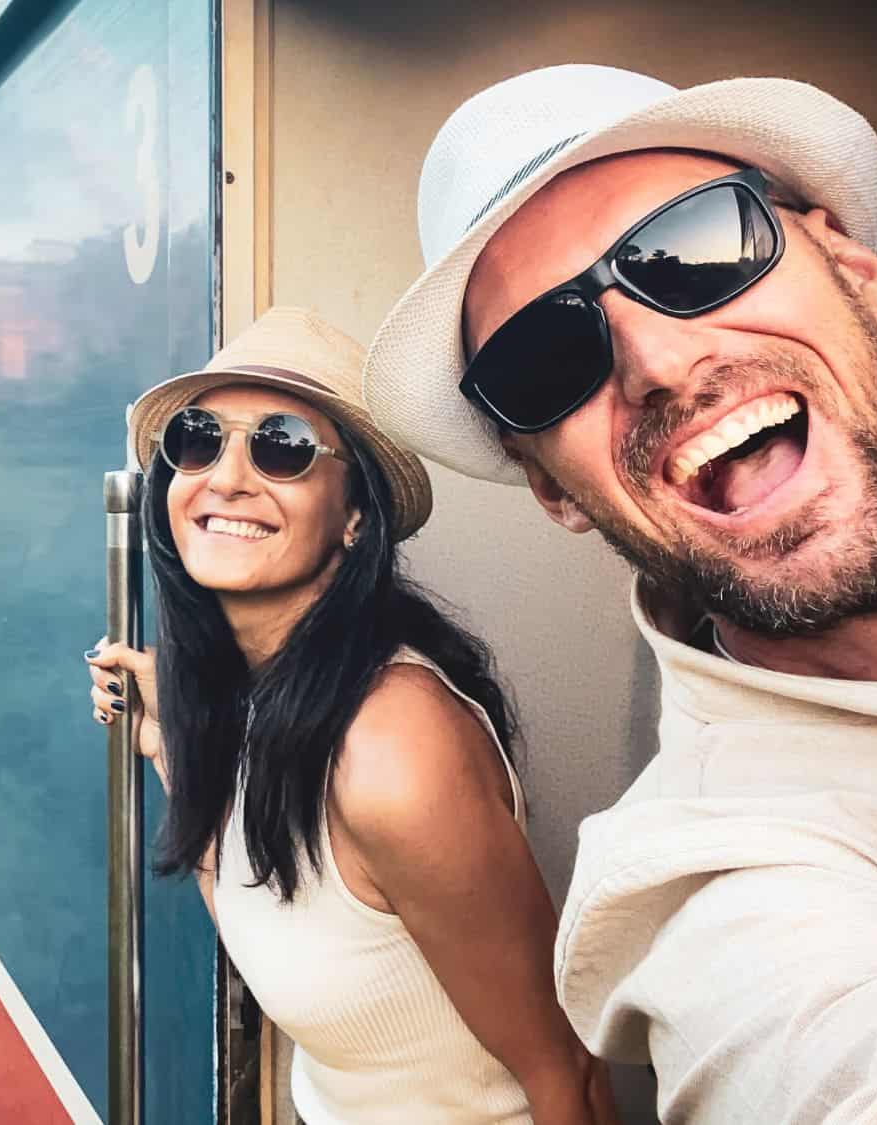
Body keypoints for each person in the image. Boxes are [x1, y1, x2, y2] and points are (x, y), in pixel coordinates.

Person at [360, 2, 877, 1120]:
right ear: (554, 491)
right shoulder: (714, 886)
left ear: (858, 270)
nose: (658, 361)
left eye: (693, 249)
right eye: (545, 355)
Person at [84, 307, 614, 1124]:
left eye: (283, 446)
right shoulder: (254, 708)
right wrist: (176, 737)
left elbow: (567, 1076)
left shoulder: (392, 750)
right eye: (199, 438)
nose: (226, 477)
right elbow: (277, 910)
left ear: (355, 513)